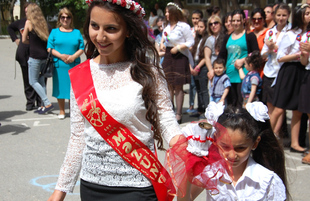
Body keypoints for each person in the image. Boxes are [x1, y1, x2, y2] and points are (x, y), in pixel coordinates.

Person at [48, 0, 183, 200]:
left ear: (128, 30)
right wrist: (59, 192)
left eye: (111, 29)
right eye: (95, 26)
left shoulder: (148, 70)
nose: (100, 36)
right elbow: (78, 138)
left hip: (138, 184)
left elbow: (166, 118)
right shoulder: (81, 75)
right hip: (92, 185)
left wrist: (184, 144)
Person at [203, 102, 288, 200]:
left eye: (240, 148)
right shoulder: (210, 173)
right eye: (225, 147)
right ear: (216, 140)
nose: (232, 155)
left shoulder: (268, 180)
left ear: (255, 143)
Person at [270, 4, 310, 153]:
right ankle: (268, 138)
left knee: (297, 110)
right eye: (307, 13)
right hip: (288, 71)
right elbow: (280, 57)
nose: (309, 16)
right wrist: (297, 55)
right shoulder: (291, 34)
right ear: (300, 15)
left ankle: (295, 143)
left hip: (302, 70)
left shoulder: (308, 34)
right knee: (279, 108)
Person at [47, 8, 84, 120]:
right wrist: (61, 56)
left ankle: (73, 110)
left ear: (71, 19)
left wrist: (73, 56)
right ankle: (62, 110)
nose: (65, 19)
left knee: (73, 89)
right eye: (63, 17)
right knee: (60, 88)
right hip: (59, 65)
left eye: (68, 17)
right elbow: (49, 48)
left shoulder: (77, 32)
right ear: (59, 19)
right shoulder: (54, 32)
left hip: (73, 65)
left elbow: (81, 48)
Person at [160, 2, 194, 123]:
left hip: (180, 56)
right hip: (169, 55)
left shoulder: (183, 26)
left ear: (174, 12)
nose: (166, 14)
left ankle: (178, 114)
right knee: (168, 85)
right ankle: (170, 110)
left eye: (168, 11)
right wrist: (162, 43)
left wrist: (178, 48)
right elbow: (165, 38)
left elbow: (190, 41)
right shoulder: (167, 27)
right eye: (166, 12)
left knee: (178, 86)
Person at [218, 9, 259, 108]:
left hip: (243, 77)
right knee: (231, 105)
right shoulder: (228, 37)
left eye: (238, 20)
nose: (236, 23)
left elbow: (256, 53)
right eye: (233, 21)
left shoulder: (249, 35)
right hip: (229, 76)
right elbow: (222, 55)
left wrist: (243, 60)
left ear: (243, 20)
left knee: (241, 106)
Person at [261, 3, 291, 137]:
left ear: (288, 16)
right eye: (278, 15)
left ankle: (274, 134)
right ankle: (271, 131)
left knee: (279, 105)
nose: (281, 18)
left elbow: (290, 52)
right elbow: (263, 54)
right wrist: (268, 48)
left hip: (283, 71)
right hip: (269, 71)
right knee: (269, 104)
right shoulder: (270, 31)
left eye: (284, 15)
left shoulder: (291, 32)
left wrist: (274, 47)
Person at [7, 2, 42, 111]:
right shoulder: (21, 22)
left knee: (38, 78)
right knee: (27, 79)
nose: (28, 13)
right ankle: (30, 102)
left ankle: (40, 101)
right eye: (26, 11)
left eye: (29, 11)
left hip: (37, 53)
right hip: (24, 53)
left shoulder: (40, 23)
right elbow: (10, 28)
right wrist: (15, 39)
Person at [22, 3, 53, 115]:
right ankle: (43, 106)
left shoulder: (29, 23)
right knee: (41, 81)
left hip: (34, 56)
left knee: (33, 81)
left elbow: (24, 39)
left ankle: (46, 102)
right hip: (45, 57)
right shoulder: (44, 24)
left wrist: (31, 41)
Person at [190, 19, 209, 119]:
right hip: (195, 64)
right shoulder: (197, 39)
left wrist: (198, 67)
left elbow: (206, 56)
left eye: (201, 27)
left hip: (203, 66)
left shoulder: (207, 39)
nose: (199, 29)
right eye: (198, 27)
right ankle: (200, 109)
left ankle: (206, 110)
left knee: (203, 90)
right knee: (198, 89)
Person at [188, 9, 203, 114]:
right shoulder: (189, 30)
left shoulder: (202, 31)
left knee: (200, 86)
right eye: (193, 18)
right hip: (191, 60)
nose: (195, 20)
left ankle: (200, 106)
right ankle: (191, 105)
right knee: (192, 85)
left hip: (200, 60)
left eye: (197, 18)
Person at [205, 15, 224, 82]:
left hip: (224, 70)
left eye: (216, 23)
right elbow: (207, 57)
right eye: (211, 24)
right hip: (214, 70)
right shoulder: (210, 39)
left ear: (220, 24)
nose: (213, 25)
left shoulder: (226, 36)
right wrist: (211, 70)